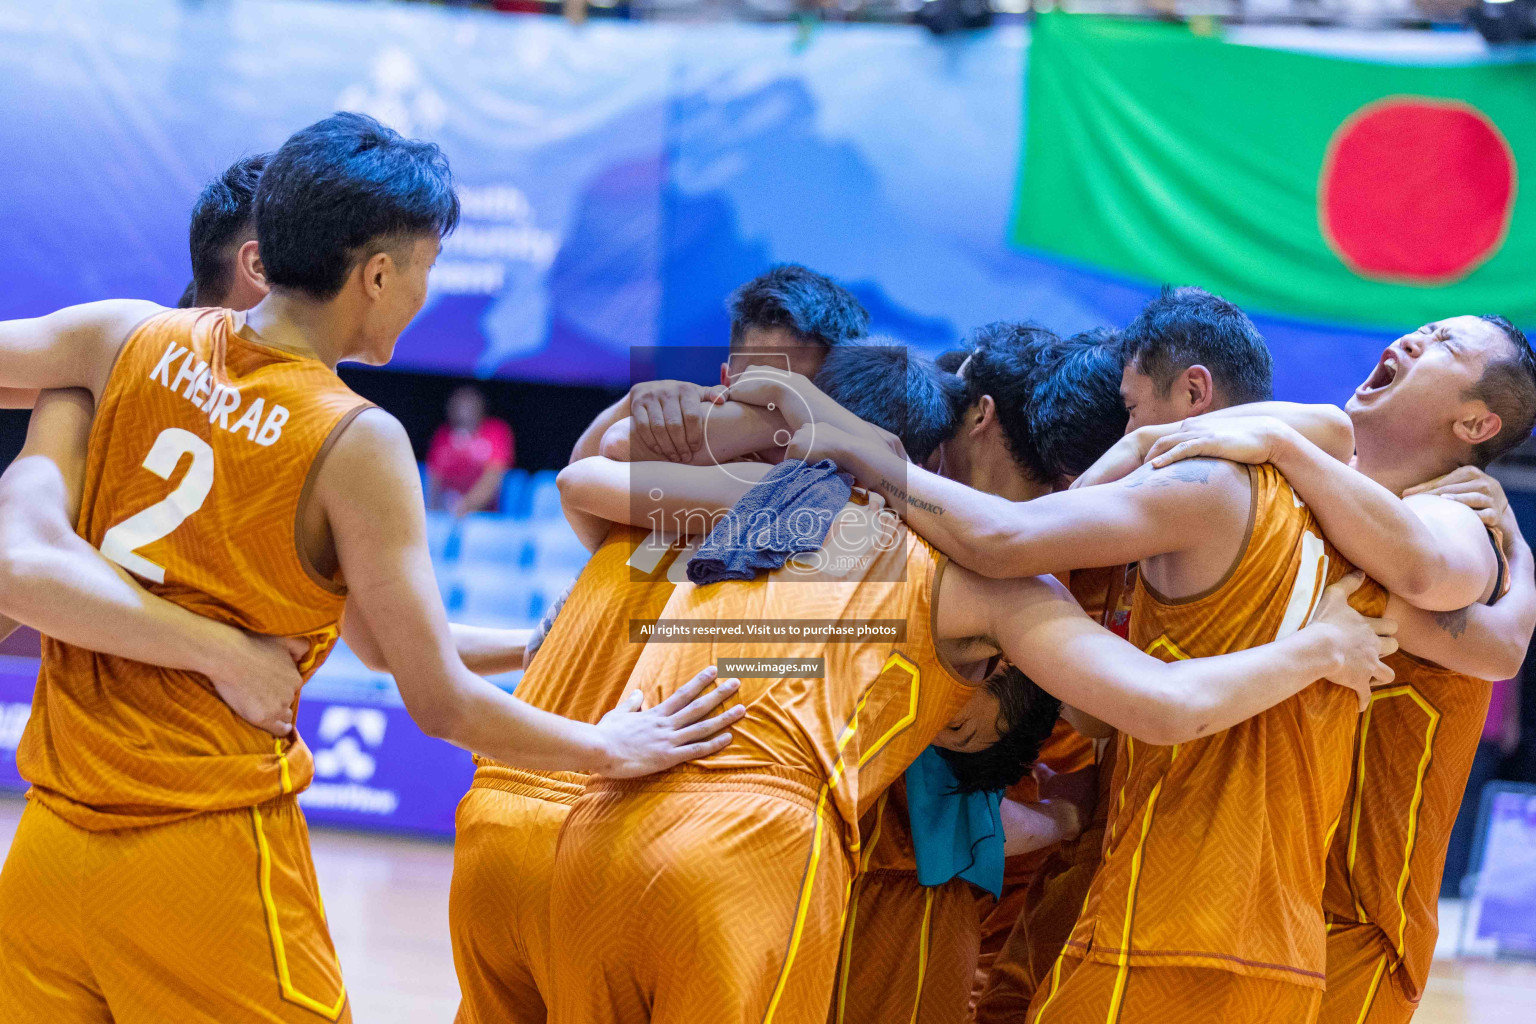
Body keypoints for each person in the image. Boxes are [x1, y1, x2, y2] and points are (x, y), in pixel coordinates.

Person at [0, 112, 739, 1022]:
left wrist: (536, 644)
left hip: (46, 844)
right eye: (427, 269)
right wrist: (606, 748)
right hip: (199, 849)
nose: (425, 293)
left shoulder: (126, 337)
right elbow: (436, 701)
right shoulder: (357, 442)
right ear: (379, 274)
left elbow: (382, 646)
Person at [542, 339, 1394, 1024]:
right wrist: (1321, 650)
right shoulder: (990, 576)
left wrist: (688, 418)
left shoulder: (775, 504)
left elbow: (585, 477)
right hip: (763, 851)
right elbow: (1151, 693)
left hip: (598, 828)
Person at [804, 287, 1425, 1023]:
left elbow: (1014, 549)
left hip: (1162, 924)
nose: (1118, 444)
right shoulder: (1331, 505)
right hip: (1277, 941)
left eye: (1131, 412)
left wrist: (863, 455)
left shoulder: (1201, 488)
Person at [446, 289, 873, 1024]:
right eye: (757, 392)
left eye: (789, 398)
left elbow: (585, 470)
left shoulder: (828, 506)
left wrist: (641, 413)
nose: (768, 417)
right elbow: (583, 473)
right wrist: (641, 408)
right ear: (724, 380)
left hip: (595, 828)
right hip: (561, 820)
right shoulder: (657, 486)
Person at [1136, 313, 1536, 1024]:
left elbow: (1475, 623)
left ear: (1476, 422)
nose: (1414, 338)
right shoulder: (1293, 493)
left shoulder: (1454, 523)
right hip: (1205, 894)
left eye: (1443, 342)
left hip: (1346, 925)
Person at [569, 262, 869, 468]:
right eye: (762, 387)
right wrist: (632, 405)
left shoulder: (870, 480)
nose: (779, 408)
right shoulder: (684, 448)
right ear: (726, 381)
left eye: (802, 392)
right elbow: (578, 477)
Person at [426, 385, 514, 516]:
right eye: (459, 404)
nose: (464, 409)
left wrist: (464, 507)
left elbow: (492, 478)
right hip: (446, 511)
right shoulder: (442, 435)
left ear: (481, 406)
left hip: (485, 516)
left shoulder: (496, 431)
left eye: (469, 404)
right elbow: (434, 480)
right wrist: (433, 515)